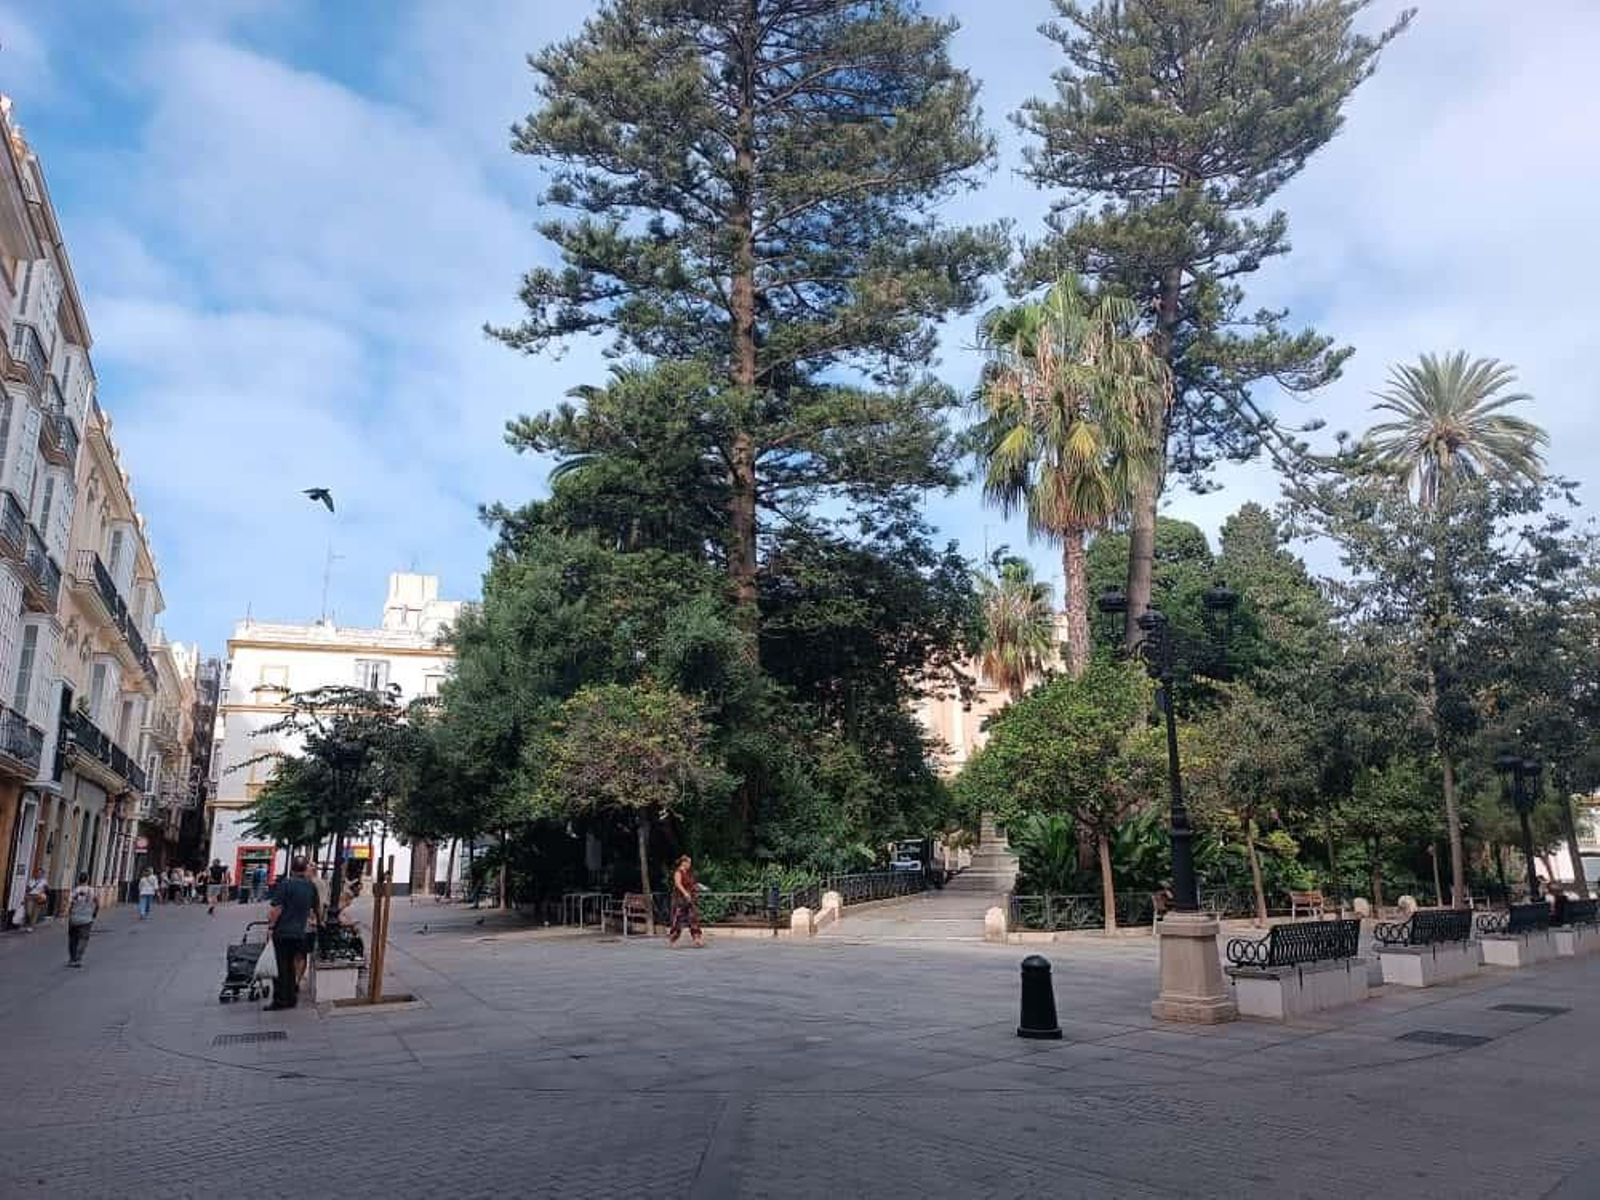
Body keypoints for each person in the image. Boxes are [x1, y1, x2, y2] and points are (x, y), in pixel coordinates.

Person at [264, 856, 322, 1011]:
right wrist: (319, 922)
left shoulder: (285, 884)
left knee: (281, 966)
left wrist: (271, 927)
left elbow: (277, 909)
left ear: (291, 868)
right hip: (300, 932)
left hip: (283, 932)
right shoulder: (311, 886)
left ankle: (280, 1000)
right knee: (291, 965)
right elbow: (317, 908)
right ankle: (291, 998)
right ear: (305, 869)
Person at [667, 855, 704, 949]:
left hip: (690, 898)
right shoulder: (678, 872)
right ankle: (673, 940)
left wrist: (699, 887)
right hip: (680, 899)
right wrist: (685, 893)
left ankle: (697, 939)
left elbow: (693, 883)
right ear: (684, 863)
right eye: (689, 862)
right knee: (678, 919)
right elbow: (678, 884)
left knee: (693, 917)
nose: (690, 864)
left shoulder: (689, 873)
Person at [66, 872, 97, 966]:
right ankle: (78, 959)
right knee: (83, 939)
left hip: (74, 918)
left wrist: (70, 914)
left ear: (78, 879)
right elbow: (97, 903)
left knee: (73, 939)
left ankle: (72, 958)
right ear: (87, 880)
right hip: (87, 918)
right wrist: (94, 913)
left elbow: (70, 904)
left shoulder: (75, 890)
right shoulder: (92, 890)